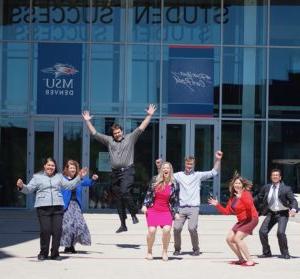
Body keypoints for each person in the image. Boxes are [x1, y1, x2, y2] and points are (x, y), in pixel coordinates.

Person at [82, 104, 156, 233]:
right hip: (115, 173)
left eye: (118, 132)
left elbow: (141, 127)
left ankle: (134, 212)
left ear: (122, 131)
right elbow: (94, 133)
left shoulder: (130, 138)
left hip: (127, 171)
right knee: (118, 197)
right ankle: (123, 224)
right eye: (114, 133)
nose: (116, 134)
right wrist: (88, 121)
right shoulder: (109, 141)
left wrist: (149, 115)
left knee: (124, 191)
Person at [16, 157, 87, 261]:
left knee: (57, 231)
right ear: (44, 166)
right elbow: (29, 189)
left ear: (55, 167)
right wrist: (22, 186)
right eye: (48, 165)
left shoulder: (59, 177)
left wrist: (79, 177)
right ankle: (43, 253)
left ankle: (55, 253)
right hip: (43, 207)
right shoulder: (37, 177)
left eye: (52, 165)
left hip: (58, 207)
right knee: (46, 230)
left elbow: (69, 186)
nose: (51, 167)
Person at [173, 151, 223, 256]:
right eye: (187, 164)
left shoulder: (198, 175)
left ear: (193, 165)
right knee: (177, 228)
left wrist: (218, 159)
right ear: (185, 164)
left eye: (191, 164)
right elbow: (166, 177)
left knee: (192, 228)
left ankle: (196, 249)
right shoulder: (178, 175)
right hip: (181, 208)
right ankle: (177, 249)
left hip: (193, 208)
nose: (189, 166)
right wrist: (160, 167)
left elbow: (213, 172)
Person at [208, 173, 259, 267]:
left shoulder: (246, 194)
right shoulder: (233, 197)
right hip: (242, 221)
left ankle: (250, 260)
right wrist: (217, 205)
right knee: (229, 239)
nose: (237, 185)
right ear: (233, 185)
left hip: (251, 219)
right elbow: (227, 212)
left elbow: (249, 206)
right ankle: (241, 259)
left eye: (239, 183)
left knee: (237, 238)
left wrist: (242, 198)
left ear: (243, 185)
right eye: (236, 183)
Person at [255, 169, 298, 259]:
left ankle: (285, 253)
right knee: (262, 232)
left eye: (277, 175)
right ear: (271, 177)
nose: (275, 176)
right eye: (273, 175)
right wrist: (248, 202)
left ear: (280, 177)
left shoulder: (286, 188)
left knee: (280, 233)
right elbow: (259, 198)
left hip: (283, 214)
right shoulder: (267, 187)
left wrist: (293, 209)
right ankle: (266, 253)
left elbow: (293, 200)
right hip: (271, 213)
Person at [141, 162, 179, 261]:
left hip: (166, 210)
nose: (165, 169)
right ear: (161, 170)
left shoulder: (174, 184)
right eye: (164, 168)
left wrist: (176, 212)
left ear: (170, 170)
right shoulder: (155, 180)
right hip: (153, 209)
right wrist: (145, 205)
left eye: (167, 168)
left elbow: (175, 200)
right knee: (152, 231)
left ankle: (165, 251)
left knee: (166, 230)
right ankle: (149, 251)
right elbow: (148, 194)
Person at [60, 160, 99, 254]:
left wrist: (93, 179)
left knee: (79, 225)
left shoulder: (79, 179)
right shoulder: (62, 179)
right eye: (71, 168)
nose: (73, 169)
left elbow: (88, 183)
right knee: (68, 226)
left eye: (74, 168)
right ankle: (67, 246)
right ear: (67, 169)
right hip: (66, 205)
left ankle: (72, 245)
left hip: (76, 205)